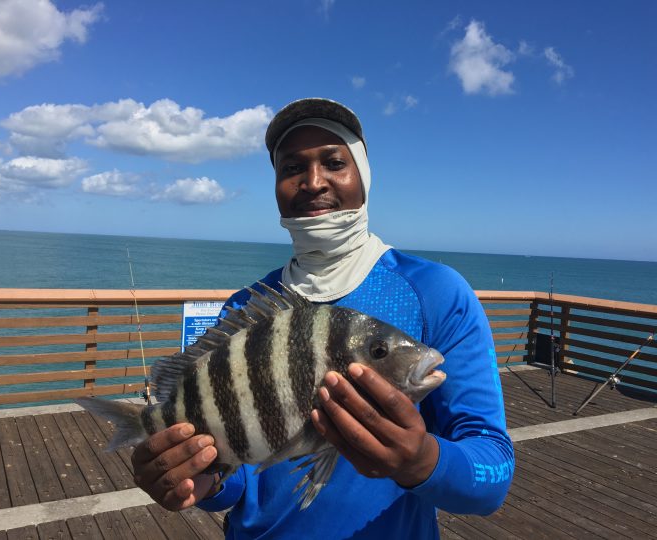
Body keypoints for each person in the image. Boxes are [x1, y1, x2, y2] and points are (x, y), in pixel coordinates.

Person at [131, 98, 514, 539]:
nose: (313, 182)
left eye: (334, 161)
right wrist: (200, 477)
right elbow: (240, 473)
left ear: (364, 175)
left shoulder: (437, 291)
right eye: (292, 167)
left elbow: (494, 470)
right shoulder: (245, 309)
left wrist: (423, 461)